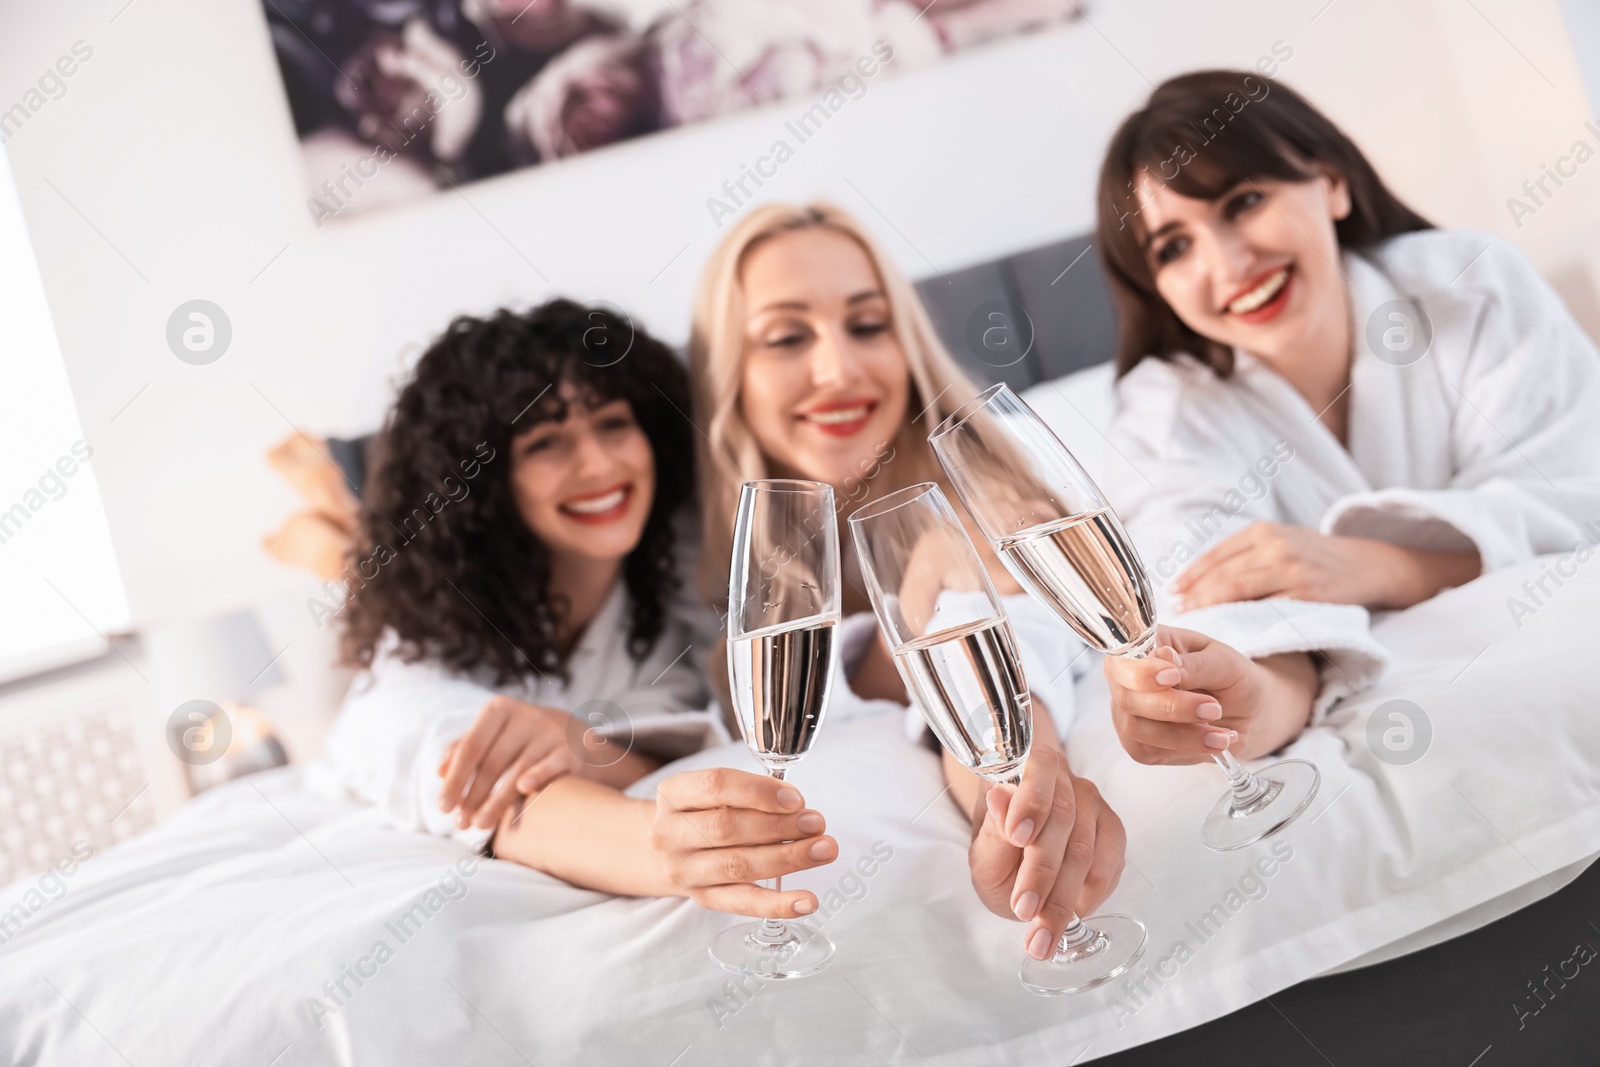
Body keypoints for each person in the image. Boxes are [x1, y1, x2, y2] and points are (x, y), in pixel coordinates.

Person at [1092, 70, 1600, 767]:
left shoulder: (1471, 285)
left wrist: (1377, 565)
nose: (1229, 264)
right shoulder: (1166, 411)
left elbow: (1576, 492)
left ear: (1331, 183)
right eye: (1174, 247)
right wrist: (1241, 700)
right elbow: (1211, 602)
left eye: (1243, 201)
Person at [683, 201, 1128, 964]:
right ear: (730, 377)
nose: (840, 369)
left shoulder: (985, 501)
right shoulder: (689, 564)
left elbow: (1003, 635)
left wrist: (1020, 785)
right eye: (787, 336)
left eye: (867, 324)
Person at [325, 300, 854, 913]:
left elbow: (712, 717)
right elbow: (477, 786)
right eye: (546, 441)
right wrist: (669, 849)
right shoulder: (424, 634)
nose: (599, 465)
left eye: (611, 423)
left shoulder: (688, 568)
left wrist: (578, 743)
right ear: (485, 483)